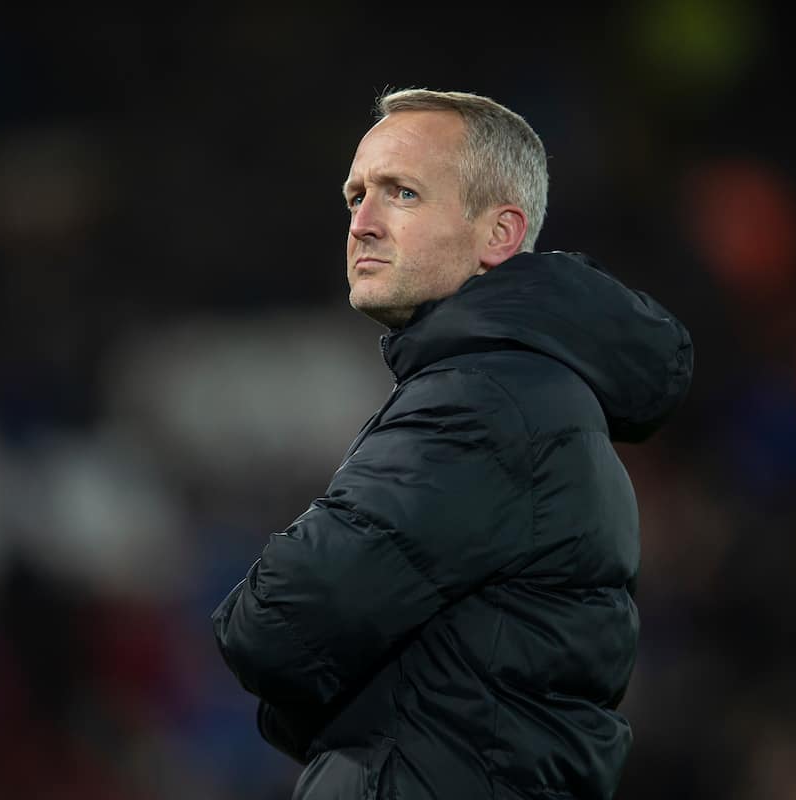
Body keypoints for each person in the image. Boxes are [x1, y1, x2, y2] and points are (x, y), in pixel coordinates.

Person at [211, 88, 693, 800]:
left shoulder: (483, 401)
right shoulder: (525, 393)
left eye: (401, 193)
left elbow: (273, 624)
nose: (362, 224)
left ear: (499, 234)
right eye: (354, 197)